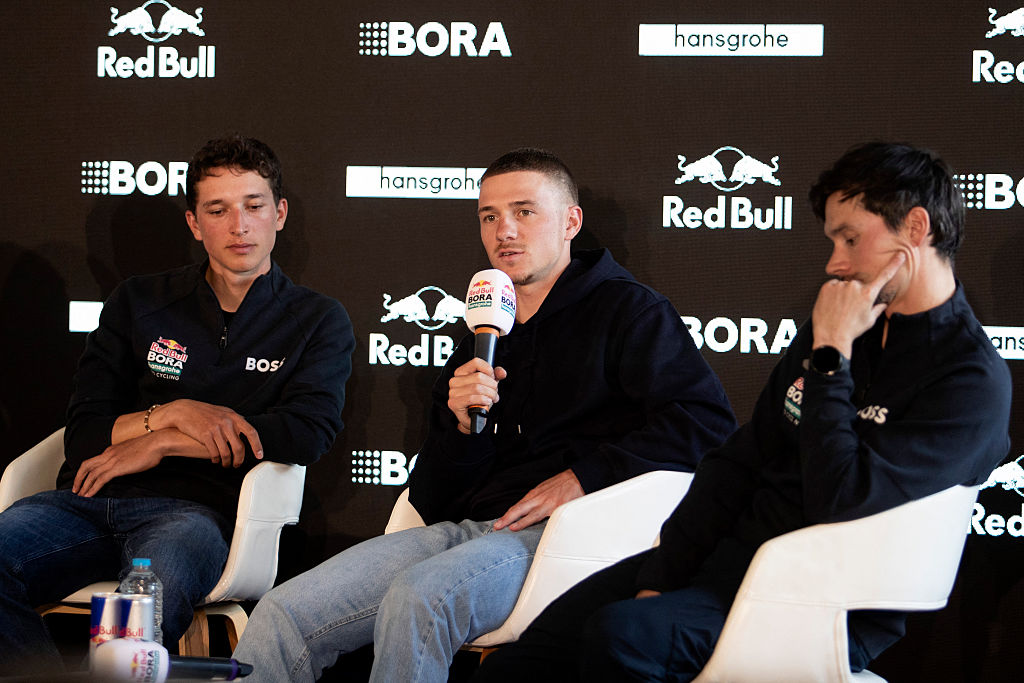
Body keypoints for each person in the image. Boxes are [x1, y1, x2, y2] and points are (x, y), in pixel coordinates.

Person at [472, 141, 1014, 682]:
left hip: (818, 603)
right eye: (833, 240)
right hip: (724, 565)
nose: (835, 262)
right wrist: (665, 571)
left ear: (916, 229)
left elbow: (840, 502)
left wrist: (830, 361)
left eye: (850, 238)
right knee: (525, 661)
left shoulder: (967, 379)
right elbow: (737, 461)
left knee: (621, 638)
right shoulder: (840, 329)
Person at [232, 148, 737, 682]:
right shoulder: (480, 332)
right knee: (283, 612)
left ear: (571, 221)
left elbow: (705, 423)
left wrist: (584, 477)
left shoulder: (628, 311)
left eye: (525, 212)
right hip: (463, 529)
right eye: (490, 217)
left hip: (564, 537)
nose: (505, 232)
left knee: (419, 597)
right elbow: (432, 496)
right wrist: (459, 426)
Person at [0, 135, 354, 675]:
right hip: (87, 501)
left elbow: (304, 433)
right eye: (218, 210)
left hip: (195, 516)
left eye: (254, 206)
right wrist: (170, 413)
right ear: (194, 223)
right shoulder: (138, 300)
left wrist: (161, 444)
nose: (239, 226)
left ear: (279, 214)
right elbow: (85, 433)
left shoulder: (317, 319)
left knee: (135, 616)